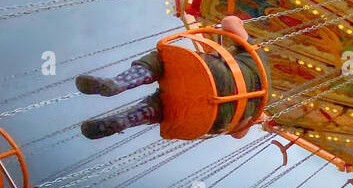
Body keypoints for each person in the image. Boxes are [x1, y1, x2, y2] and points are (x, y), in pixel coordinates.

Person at [77, 15, 268, 140]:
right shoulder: (260, 106)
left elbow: (229, 23)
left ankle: (118, 83)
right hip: (211, 118)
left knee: (163, 60)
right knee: (165, 108)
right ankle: (124, 120)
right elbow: (239, 133)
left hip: (216, 77)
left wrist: (237, 22)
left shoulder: (255, 54)